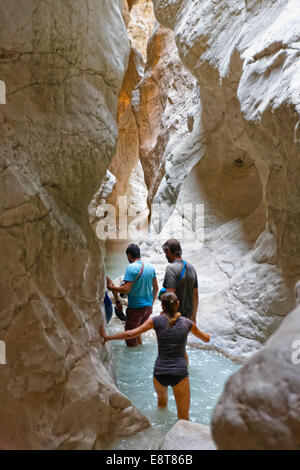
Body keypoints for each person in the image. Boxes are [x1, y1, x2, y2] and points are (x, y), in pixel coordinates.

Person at [99, 292, 210, 421]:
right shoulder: (187, 323)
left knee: (162, 407)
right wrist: (208, 335)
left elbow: (131, 334)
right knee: (183, 418)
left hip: (160, 373)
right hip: (179, 373)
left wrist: (108, 337)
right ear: (178, 304)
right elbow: (206, 339)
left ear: (162, 306)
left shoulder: (155, 321)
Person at [107, 243, 159, 347]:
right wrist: (151, 304)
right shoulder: (150, 267)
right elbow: (156, 288)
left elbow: (126, 289)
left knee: (130, 337)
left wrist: (111, 288)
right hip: (148, 308)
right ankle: (140, 347)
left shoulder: (131, 268)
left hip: (136, 309)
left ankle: (136, 357)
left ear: (129, 255)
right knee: (137, 331)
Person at [162, 238, 198, 323]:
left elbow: (170, 295)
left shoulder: (171, 269)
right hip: (188, 318)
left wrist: (168, 318)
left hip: (176, 318)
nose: (166, 256)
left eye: (165, 252)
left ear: (168, 251)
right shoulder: (192, 268)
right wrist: (193, 316)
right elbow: (195, 294)